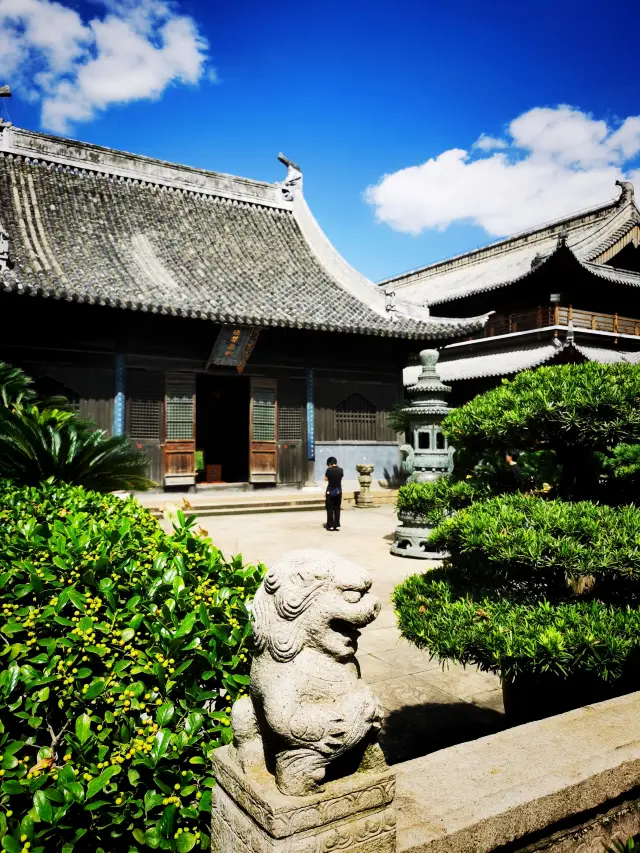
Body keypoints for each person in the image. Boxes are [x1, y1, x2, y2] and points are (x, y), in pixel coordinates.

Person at [324, 456, 344, 531]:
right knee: (337, 508)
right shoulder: (341, 470)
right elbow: (340, 477)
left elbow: (325, 479)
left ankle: (330, 525)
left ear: (329, 463)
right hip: (338, 491)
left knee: (330, 508)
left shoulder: (329, 470)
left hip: (330, 491)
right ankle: (336, 524)